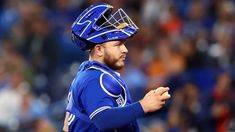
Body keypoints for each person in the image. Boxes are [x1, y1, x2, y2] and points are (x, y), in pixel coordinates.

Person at [63, 3, 171, 132]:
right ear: (99, 50)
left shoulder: (87, 75)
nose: (125, 49)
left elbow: (66, 126)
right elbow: (103, 119)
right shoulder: (96, 78)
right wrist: (144, 105)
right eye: (117, 44)